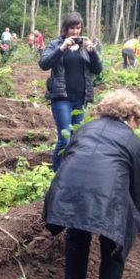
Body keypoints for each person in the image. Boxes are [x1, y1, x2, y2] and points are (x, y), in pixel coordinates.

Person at [43, 89, 140, 279]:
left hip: (68, 191)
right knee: (115, 237)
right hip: (104, 193)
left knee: (77, 231)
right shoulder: (132, 141)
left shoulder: (85, 128)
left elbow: (69, 160)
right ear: (131, 116)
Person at [39, 12, 103, 172]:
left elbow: (98, 70)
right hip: (61, 98)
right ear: (65, 29)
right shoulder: (56, 44)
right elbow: (44, 64)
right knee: (65, 138)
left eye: (78, 28)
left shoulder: (85, 47)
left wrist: (92, 51)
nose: (75, 32)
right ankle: (57, 172)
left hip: (81, 99)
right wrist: (62, 48)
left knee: (76, 139)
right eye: (72, 28)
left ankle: (70, 171)